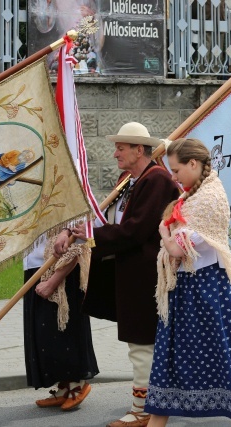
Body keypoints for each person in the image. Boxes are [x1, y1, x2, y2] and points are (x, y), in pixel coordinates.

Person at [54, 122, 179, 427]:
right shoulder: (133, 180)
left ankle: (143, 409)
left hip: (146, 277)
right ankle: (154, 403)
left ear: (140, 150)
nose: (114, 154)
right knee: (142, 344)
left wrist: (92, 236)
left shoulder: (157, 180)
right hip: (133, 274)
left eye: (121, 148)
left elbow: (134, 231)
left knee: (142, 345)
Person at [144, 139, 231, 426]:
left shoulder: (208, 200)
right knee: (170, 359)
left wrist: (163, 231)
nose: (172, 176)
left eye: (176, 170)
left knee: (225, 357)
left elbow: (177, 249)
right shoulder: (192, 196)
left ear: (193, 164)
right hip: (187, 288)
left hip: (209, 289)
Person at [23, 234, 98, 411]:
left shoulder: (67, 206)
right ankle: (64, 386)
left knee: (64, 328)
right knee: (46, 333)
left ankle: (77, 384)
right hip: (36, 266)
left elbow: (77, 245)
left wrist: (52, 281)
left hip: (61, 271)